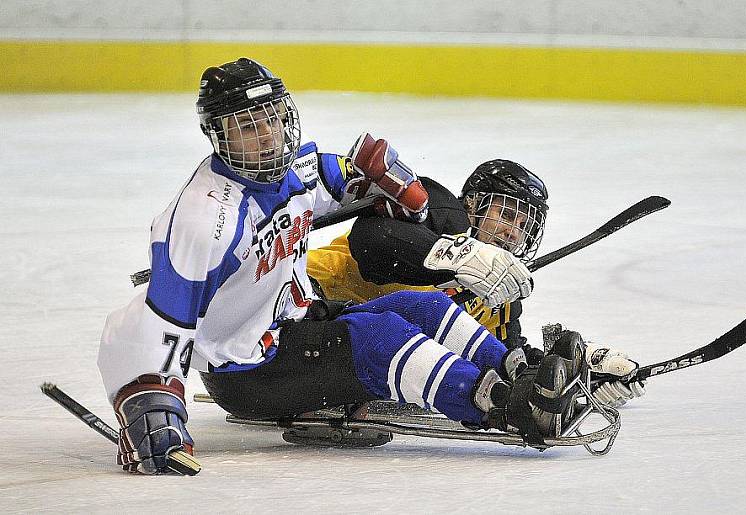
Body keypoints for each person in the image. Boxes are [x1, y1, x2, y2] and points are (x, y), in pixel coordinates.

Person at [97, 57, 609, 476]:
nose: (267, 137)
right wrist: (153, 411)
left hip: (295, 326)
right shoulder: (202, 220)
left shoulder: (291, 171)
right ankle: (502, 405)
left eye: (272, 120)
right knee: (378, 334)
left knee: (422, 306)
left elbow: (343, 177)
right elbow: (157, 325)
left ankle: (521, 371)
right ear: (217, 136)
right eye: (247, 129)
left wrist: (398, 190)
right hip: (247, 373)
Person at [307, 159, 647, 409]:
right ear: (473, 205)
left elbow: (507, 361)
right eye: (508, 214)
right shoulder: (435, 219)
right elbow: (373, 241)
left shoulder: (499, 292)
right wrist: (455, 258)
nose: (515, 231)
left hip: (356, 347)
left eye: (526, 224)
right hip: (303, 303)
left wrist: (576, 378)